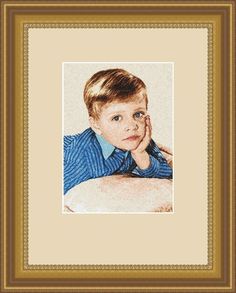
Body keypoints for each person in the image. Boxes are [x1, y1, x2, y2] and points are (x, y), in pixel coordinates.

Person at [64, 68, 172, 195]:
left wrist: (140, 155)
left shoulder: (139, 141)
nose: (132, 126)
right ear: (96, 125)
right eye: (116, 118)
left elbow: (167, 173)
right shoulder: (82, 158)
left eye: (138, 114)